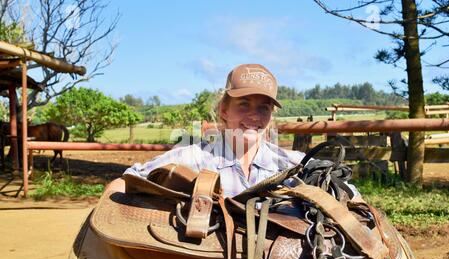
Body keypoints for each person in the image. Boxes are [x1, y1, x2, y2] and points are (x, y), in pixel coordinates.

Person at [124, 63, 360, 199]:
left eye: (263, 108)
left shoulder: (290, 165)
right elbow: (128, 179)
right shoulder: (194, 157)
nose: (254, 116)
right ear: (224, 110)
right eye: (244, 104)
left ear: (271, 115)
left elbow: (351, 193)